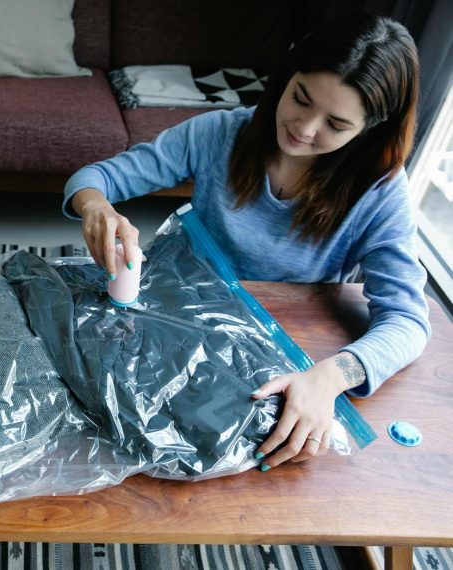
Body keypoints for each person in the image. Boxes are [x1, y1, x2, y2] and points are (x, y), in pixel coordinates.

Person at [62, 13, 431, 471]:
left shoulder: (379, 191)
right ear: (287, 77)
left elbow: (409, 322)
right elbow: (96, 176)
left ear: (370, 128)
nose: (305, 128)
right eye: (300, 98)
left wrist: (333, 376)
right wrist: (97, 206)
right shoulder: (219, 133)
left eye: (336, 124)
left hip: (277, 351)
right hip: (176, 318)